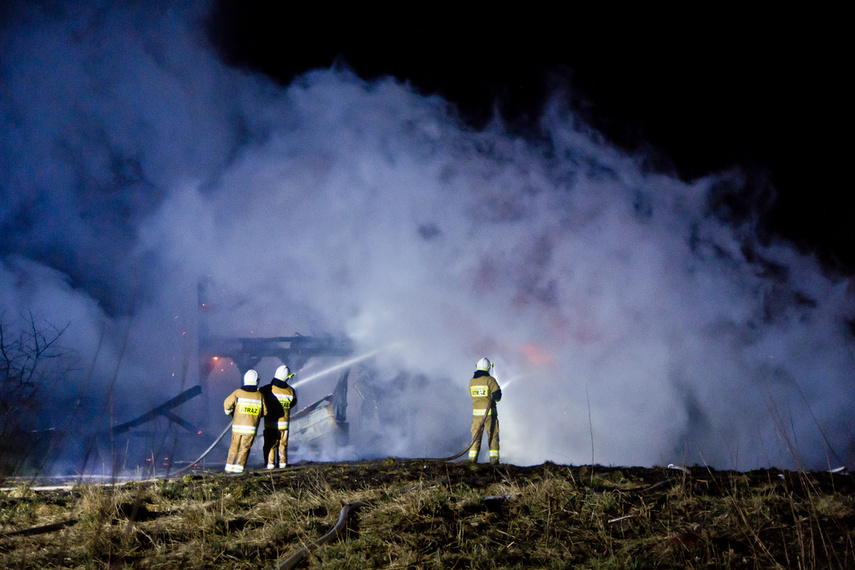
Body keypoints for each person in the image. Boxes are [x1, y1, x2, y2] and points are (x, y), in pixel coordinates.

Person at [223, 369, 267, 473]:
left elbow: (227, 404)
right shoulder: (259, 396)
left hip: (237, 427)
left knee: (234, 447)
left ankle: (229, 469)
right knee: (244, 448)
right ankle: (239, 469)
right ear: (257, 381)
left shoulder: (238, 393)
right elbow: (265, 412)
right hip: (251, 429)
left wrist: (229, 412)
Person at [260, 364, 297, 468]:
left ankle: (270, 464)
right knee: (283, 445)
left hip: (271, 424)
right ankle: (282, 464)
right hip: (284, 426)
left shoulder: (268, 389)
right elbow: (293, 403)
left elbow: (258, 396)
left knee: (270, 445)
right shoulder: (290, 390)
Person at [468, 357, 502, 464]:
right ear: (488, 368)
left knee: (475, 439)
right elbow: (497, 397)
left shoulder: (472, 381)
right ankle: (494, 463)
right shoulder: (490, 380)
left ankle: (471, 462)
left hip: (477, 417)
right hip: (489, 416)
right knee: (492, 437)